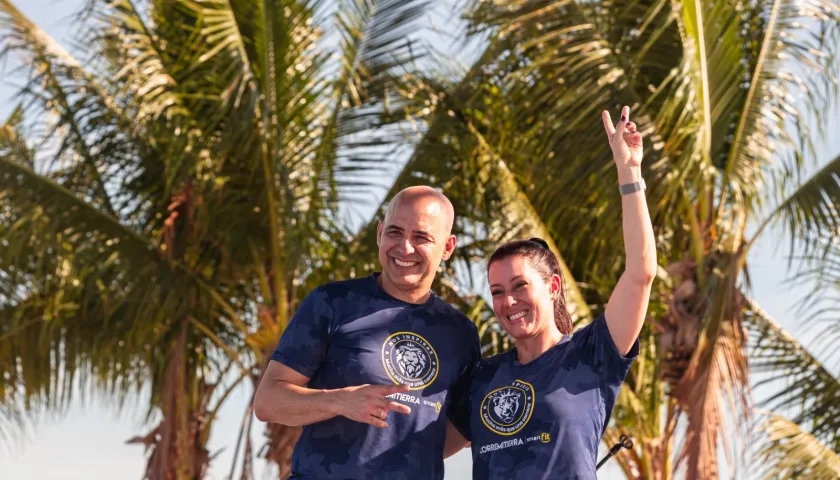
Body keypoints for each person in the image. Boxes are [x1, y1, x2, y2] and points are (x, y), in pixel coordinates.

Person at [446, 106, 657, 479]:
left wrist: (630, 172)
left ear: (553, 286)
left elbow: (641, 273)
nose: (508, 301)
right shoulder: (482, 377)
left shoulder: (592, 354)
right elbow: (419, 449)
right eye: (497, 291)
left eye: (520, 286)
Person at [253, 186, 482, 480]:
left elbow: (454, 430)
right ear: (379, 233)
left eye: (421, 237)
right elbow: (268, 402)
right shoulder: (333, 302)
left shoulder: (461, 333)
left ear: (448, 247)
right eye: (395, 232)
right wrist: (339, 401)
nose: (405, 248)